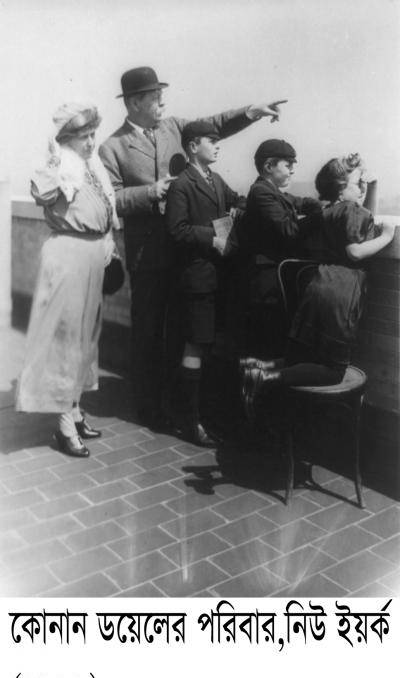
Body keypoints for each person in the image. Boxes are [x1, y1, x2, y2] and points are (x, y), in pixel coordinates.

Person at [99, 66, 287, 429]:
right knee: (148, 333)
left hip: (182, 256)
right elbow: (110, 199)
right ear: (135, 103)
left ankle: (175, 404)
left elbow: (212, 125)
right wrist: (148, 192)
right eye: (155, 98)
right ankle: (149, 409)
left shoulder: (173, 127)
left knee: (180, 333)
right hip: (148, 257)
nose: (162, 103)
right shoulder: (112, 147)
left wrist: (251, 112)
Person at [241, 153, 394, 417]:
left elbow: (364, 217)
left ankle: (260, 366)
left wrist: (372, 185)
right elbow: (355, 251)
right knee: (333, 370)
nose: (362, 187)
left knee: (303, 357)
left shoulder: (329, 211)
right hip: (341, 293)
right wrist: (388, 236)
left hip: (318, 286)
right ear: (340, 188)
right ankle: (264, 377)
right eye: (358, 183)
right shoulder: (351, 210)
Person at [16, 103, 119, 457]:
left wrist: (108, 241)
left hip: (93, 252)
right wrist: (55, 158)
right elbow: (41, 194)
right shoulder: (61, 165)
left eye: (93, 135)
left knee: (86, 340)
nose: (91, 142)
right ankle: (63, 425)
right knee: (65, 338)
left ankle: (74, 411)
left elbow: (105, 208)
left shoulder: (92, 166)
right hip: (67, 253)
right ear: (67, 139)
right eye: (83, 137)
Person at [166, 121, 243, 446]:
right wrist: (213, 238)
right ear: (193, 146)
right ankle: (190, 420)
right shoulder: (182, 185)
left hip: (216, 277)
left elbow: (238, 200)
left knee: (207, 344)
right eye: (211, 140)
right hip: (196, 278)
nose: (217, 145)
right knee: (195, 345)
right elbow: (177, 230)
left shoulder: (216, 179)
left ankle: (200, 413)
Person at [241, 138, 322, 360]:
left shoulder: (273, 192)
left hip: (273, 278)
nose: (292, 170)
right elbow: (289, 230)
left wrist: (320, 206)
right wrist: (322, 217)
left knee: (273, 342)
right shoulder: (261, 192)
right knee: (267, 344)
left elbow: (302, 202)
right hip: (265, 282)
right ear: (269, 166)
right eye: (288, 165)